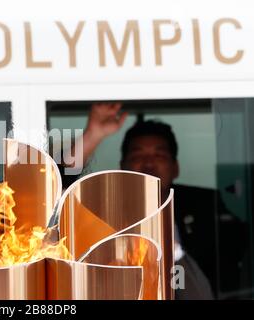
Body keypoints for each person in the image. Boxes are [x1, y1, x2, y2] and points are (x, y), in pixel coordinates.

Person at [60, 102, 248, 299]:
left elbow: (235, 270)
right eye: (137, 154)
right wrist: (93, 135)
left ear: (175, 167)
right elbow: (55, 190)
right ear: (123, 166)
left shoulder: (205, 205)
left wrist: (173, 249)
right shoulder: (104, 208)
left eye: (159, 154)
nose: (149, 162)